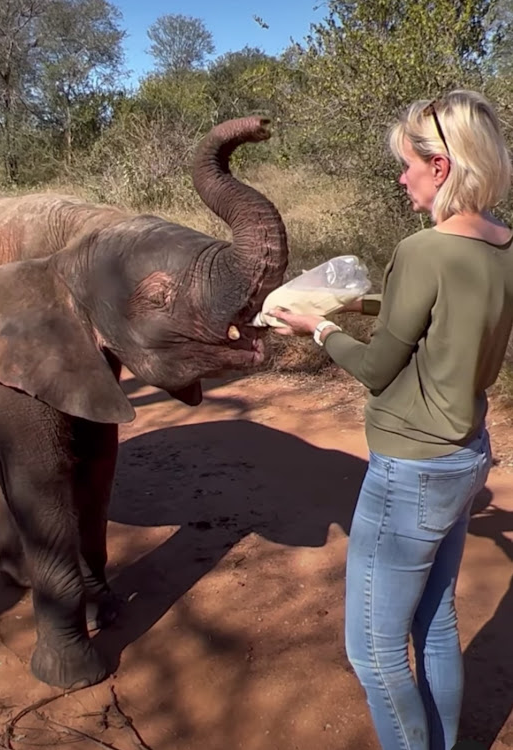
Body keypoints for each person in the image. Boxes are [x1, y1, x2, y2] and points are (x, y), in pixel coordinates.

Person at [271, 89, 513, 750]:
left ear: (441, 167)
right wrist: (362, 306)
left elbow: (378, 369)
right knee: (432, 624)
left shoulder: (424, 250)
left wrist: (317, 328)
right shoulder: (502, 243)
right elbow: (442, 319)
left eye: (407, 163)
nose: (400, 176)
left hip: (411, 469)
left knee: (374, 654)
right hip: (466, 453)